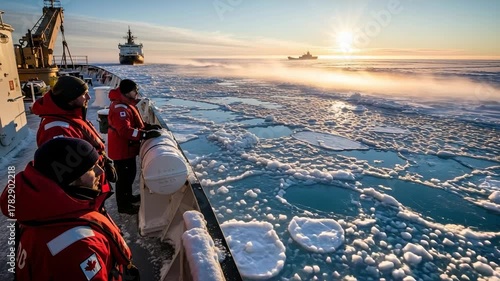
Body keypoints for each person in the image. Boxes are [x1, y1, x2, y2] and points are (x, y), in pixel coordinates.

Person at [0, 138, 139, 281]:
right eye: (92, 168)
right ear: (68, 179)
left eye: (98, 164)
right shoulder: (78, 248)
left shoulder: (40, 213)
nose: (100, 171)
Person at [31, 75, 117, 194]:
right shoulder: (56, 129)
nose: (89, 96)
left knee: (102, 202)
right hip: (86, 189)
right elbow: (66, 176)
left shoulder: (72, 116)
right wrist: (86, 197)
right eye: (84, 94)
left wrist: (104, 161)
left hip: (95, 179)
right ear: (70, 98)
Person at [108, 79, 161, 214]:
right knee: (124, 178)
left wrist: (148, 127)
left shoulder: (125, 104)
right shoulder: (120, 108)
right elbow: (125, 130)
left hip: (127, 149)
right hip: (122, 150)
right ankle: (124, 206)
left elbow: (134, 123)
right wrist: (144, 135)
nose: (136, 93)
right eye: (134, 90)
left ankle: (128, 197)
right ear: (127, 92)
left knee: (129, 175)